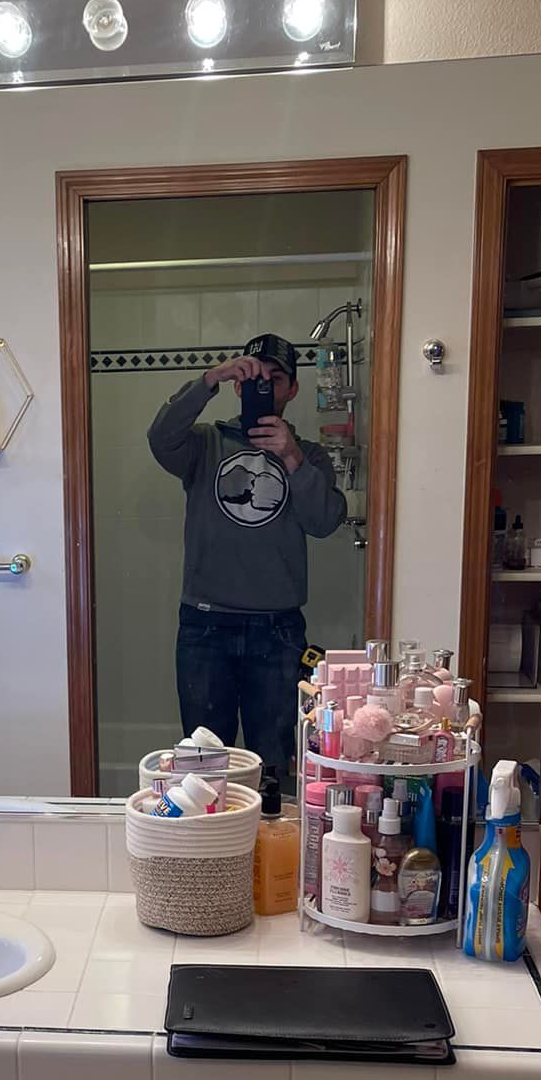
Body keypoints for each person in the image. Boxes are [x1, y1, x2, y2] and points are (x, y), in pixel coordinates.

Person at [148, 331, 346, 782]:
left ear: (292, 389)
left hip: (276, 631)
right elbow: (160, 438)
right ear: (239, 386)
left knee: (274, 762)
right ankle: (212, 851)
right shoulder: (204, 444)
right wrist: (209, 379)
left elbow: (325, 521)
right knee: (202, 763)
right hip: (205, 624)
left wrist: (292, 457)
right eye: (254, 378)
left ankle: (268, 849)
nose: (265, 387)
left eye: (276, 379)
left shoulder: (309, 455)